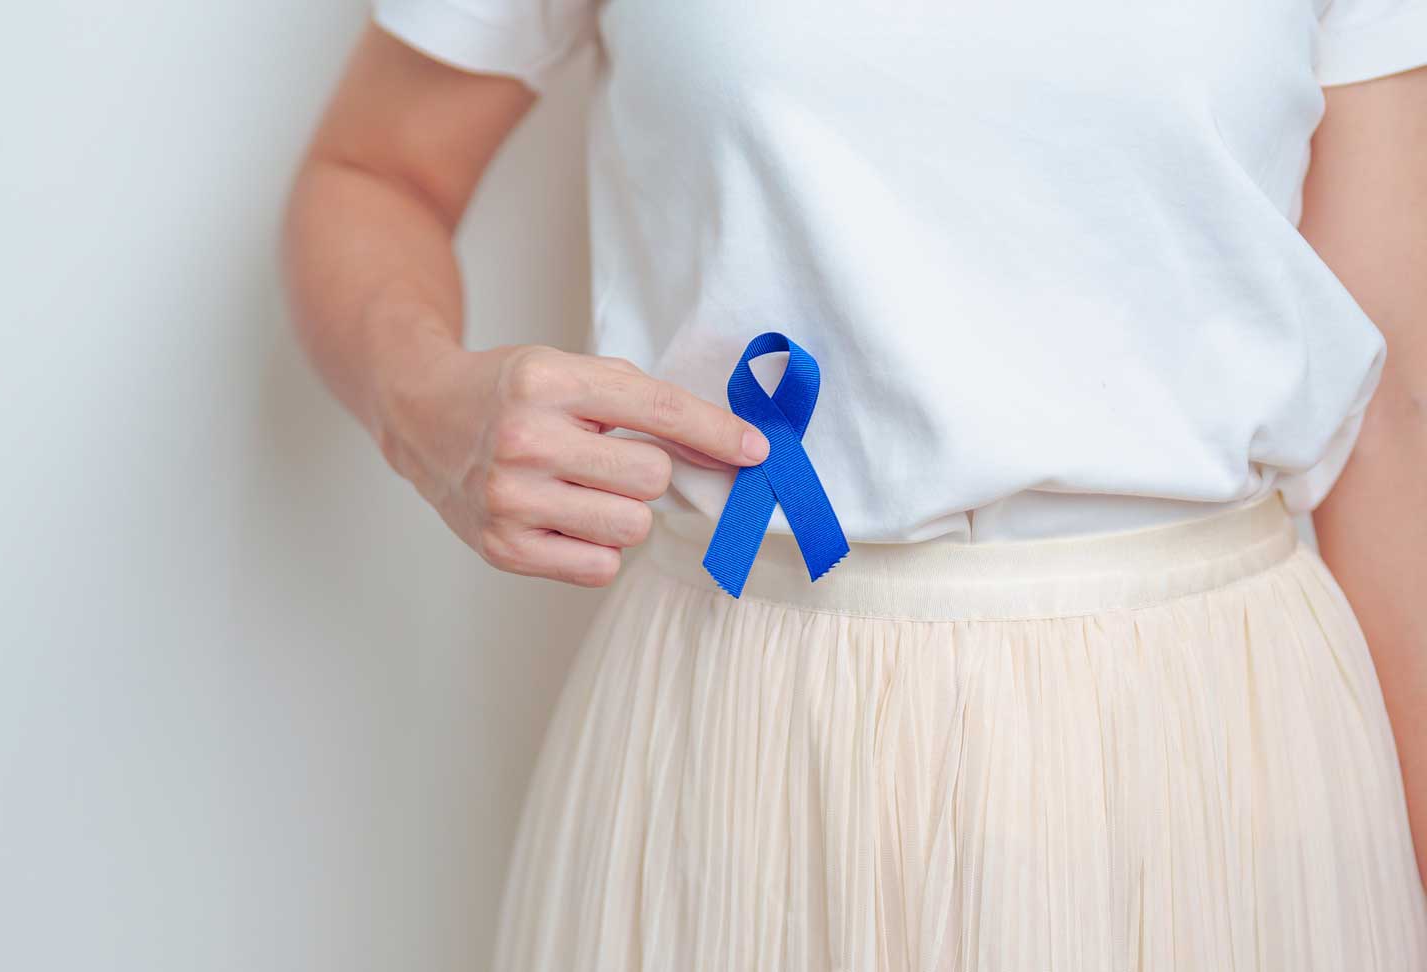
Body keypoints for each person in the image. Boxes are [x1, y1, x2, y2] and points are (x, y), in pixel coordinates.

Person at [282, 0, 1427, 967]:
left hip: (1226, 754)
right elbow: (373, 170)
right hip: (740, 732)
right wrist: (425, 401)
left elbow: (1394, 419)